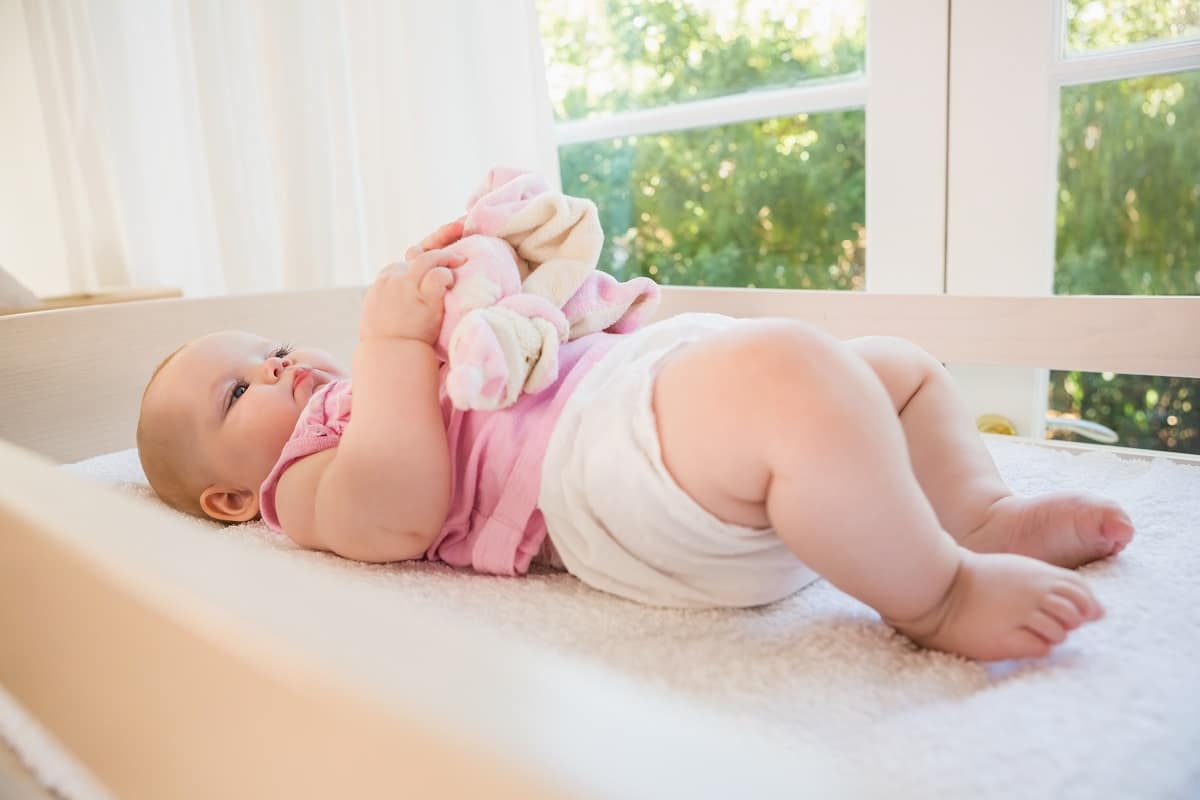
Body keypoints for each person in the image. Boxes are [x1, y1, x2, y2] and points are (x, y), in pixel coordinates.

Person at [137, 219, 1134, 662]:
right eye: (237, 387)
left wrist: (506, 285)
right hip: (593, 469)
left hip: (634, 384)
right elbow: (397, 509)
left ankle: (978, 512)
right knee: (796, 372)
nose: (274, 367)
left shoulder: (379, 374)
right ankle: (940, 592)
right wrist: (394, 339)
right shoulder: (303, 485)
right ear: (228, 495)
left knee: (894, 364)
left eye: (267, 348)